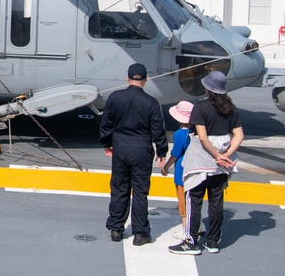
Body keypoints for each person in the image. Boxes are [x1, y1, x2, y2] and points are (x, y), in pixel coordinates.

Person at [170, 70, 244, 256]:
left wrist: (215, 155)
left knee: (194, 200)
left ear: (207, 88)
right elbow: (239, 135)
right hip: (221, 166)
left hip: (201, 161)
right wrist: (225, 154)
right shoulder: (231, 108)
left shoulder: (200, 108)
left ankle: (192, 241)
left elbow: (202, 138)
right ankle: (212, 242)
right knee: (216, 202)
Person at [99, 63, 168, 246]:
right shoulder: (151, 102)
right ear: (145, 80)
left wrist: (107, 143)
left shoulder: (115, 97)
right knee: (140, 192)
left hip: (120, 147)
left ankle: (116, 228)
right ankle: (140, 233)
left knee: (119, 188)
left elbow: (106, 124)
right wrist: (161, 151)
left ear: (128, 78)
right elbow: (158, 130)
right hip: (142, 148)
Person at [160, 101, 194, 237]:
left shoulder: (180, 134)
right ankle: (197, 224)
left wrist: (165, 167)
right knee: (193, 199)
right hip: (195, 168)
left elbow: (175, 154)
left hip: (182, 170)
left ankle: (186, 229)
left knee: (183, 201)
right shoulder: (197, 131)